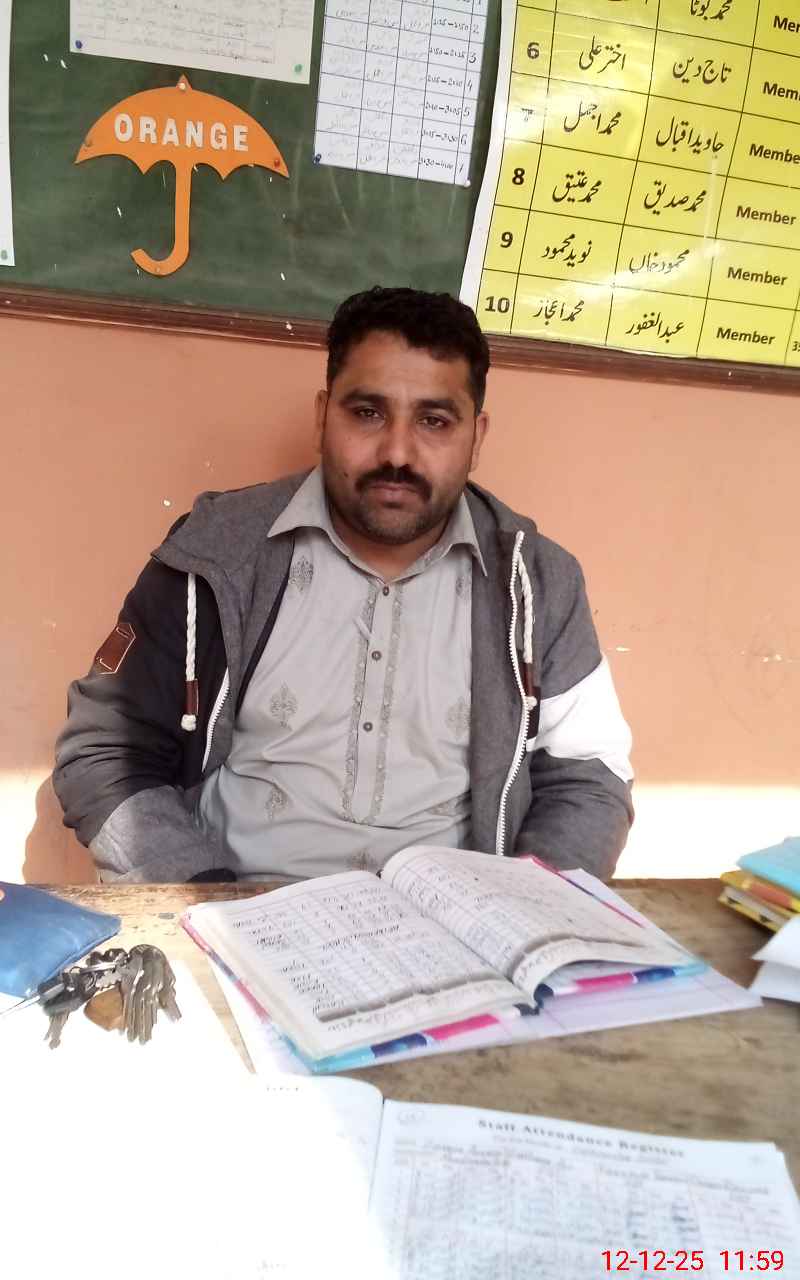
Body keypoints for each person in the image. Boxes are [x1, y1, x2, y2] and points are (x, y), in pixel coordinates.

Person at [54, 287, 633, 883]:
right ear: (322, 416)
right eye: (367, 413)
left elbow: (589, 778)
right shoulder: (216, 553)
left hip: (453, 919)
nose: (397, 452)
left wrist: (521, 906)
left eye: (434, 421)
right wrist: (202, 898)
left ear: (476, 437)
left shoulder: (537, 584)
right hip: (236, 906)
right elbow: (104, 752)